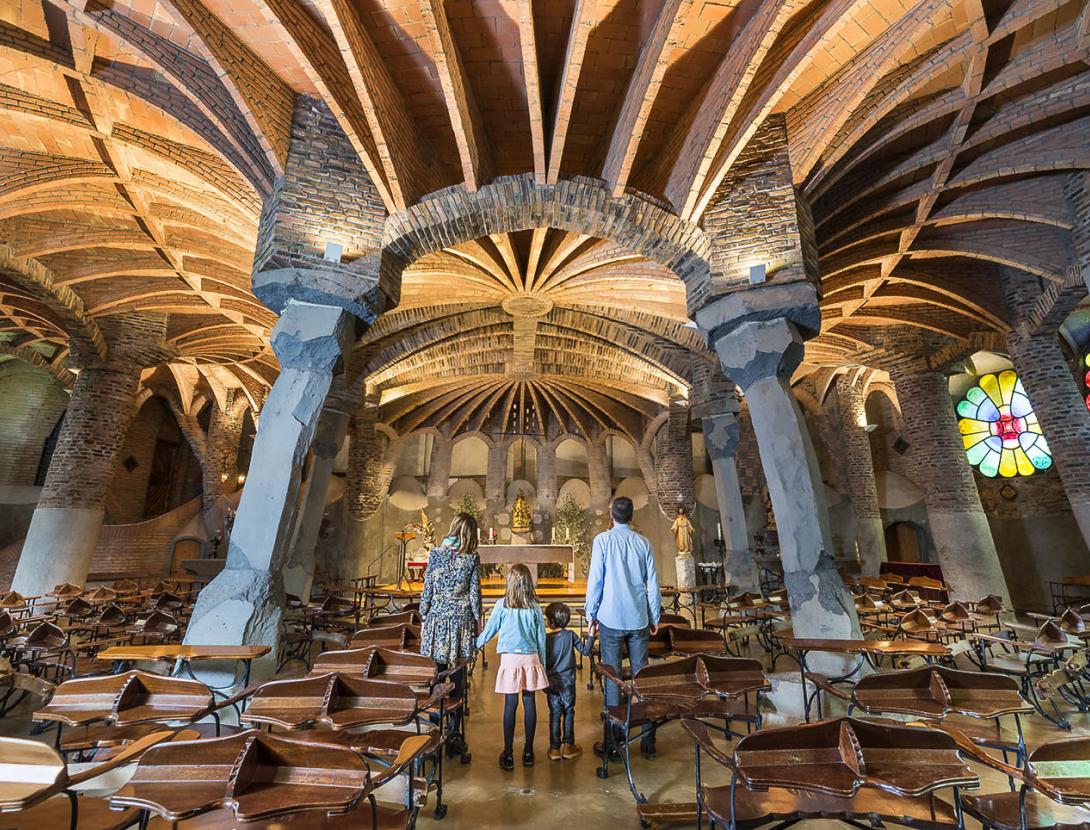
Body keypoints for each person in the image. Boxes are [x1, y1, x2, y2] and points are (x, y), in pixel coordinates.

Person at [585, 496, 661, 760]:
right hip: (638, 617)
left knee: (613, 676)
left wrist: (590, 614)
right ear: (632, 516)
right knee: (641, 675)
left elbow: (596, 580)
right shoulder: (644, 543)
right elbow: (652, 583)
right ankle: (647, 739)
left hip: (611, 618)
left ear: (611, 514)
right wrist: (655, 616)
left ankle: (614, 740)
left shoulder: (603, 541)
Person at [419, 512, 483, 758]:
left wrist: (423, 615)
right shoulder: (471, 558)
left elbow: (428, 588)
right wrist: (478, 621)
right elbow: (474, 593)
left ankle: (435, 731)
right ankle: (455, 736)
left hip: (436, 621)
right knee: (457, 677)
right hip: (460, 623)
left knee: (436, 675)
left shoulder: (436, 553)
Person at [476, 564, 548, 770]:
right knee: (529, 702)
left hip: (510, 660)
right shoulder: (534, 606)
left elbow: (490, 630)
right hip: (530, 657)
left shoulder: (501, 605)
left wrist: (475, 645)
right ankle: (528, 752)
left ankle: (508, 754)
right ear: (528, 584)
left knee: (510, 705)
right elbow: (541, 637)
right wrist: (543, 663)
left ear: (510, 582)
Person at [543, 602, 592, 761]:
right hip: (568, 683)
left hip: (551, 682)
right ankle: (569, 746)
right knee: (569, 712)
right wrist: (591, 635)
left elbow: (542, 661)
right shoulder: (571, 635)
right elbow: (585, 652)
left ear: (551, 622)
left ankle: (554, 748)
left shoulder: (546, 639)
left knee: (554, 714)